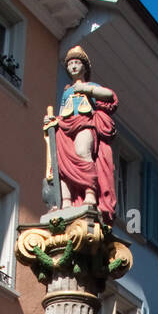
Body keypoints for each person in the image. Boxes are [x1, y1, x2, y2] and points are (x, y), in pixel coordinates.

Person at [50, 45, 117, 217]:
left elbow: (108, 95)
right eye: (70, 63)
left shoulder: (90, 86)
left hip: (85, 122)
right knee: (62, 164)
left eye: (77, 63)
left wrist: (87, 89)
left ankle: (90, 193)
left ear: (84, 67)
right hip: (65, 127)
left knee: (82, 153)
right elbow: (62, 111)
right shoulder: (66, 91)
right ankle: (65, 200)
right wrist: (52, 121)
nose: (73, 66)